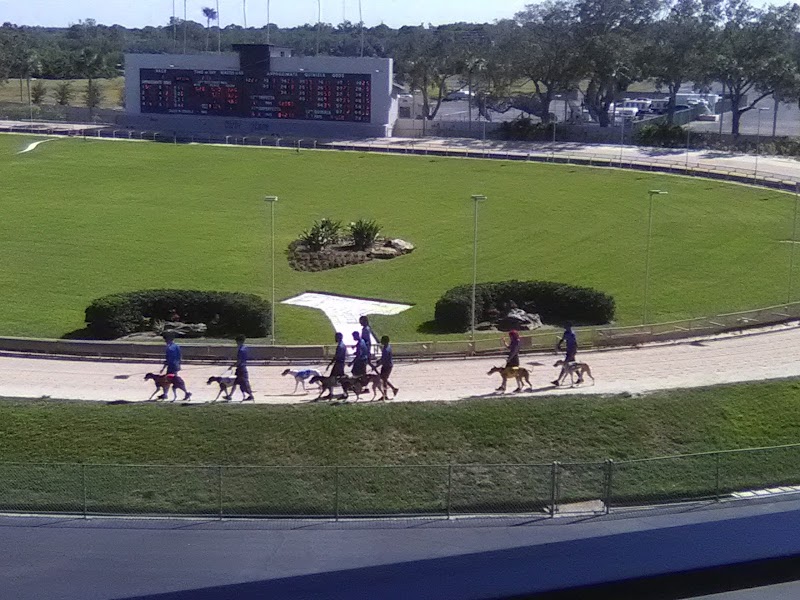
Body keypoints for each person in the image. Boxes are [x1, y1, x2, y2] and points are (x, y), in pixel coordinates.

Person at [160, 332, 191, 401]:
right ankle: (165, 394)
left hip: (172, 366)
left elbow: (168, 359)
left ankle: (186, 392)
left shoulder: (169, 348)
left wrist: (163, 368)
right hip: (175, 365)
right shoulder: (176, 346)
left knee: (170, 380)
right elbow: (179, 356)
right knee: (170, 380)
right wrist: (178, 364)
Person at [552, 322, 578, 387]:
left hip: (571, 351)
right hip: (569, 351)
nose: (566, 328)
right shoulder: (566, 333)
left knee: (565, 365)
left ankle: (558, 380)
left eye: (566, 326)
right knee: (573, 365)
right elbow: (562, 339)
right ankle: (580, 378)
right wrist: (559, 345)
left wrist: (574, 351)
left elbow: (575, 343)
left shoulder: (572, 334)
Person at [233, 334, 255, 401]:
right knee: (236, 382)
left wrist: (234, 365)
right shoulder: (245, 348)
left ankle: (251, 396)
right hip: (243, 366)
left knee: (244, 383)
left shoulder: (240, 350)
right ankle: (230, 395)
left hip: (241, 368)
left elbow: (239, 360)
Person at [379, 335, 399, 400]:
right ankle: (392, 390)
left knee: (384, 380)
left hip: (386, 366)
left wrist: (377, 364)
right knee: (384, 379)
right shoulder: (387, 347)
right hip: (387, 365)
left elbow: (384, 359)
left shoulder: (386, 350)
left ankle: (385, 395)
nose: (380, 341)